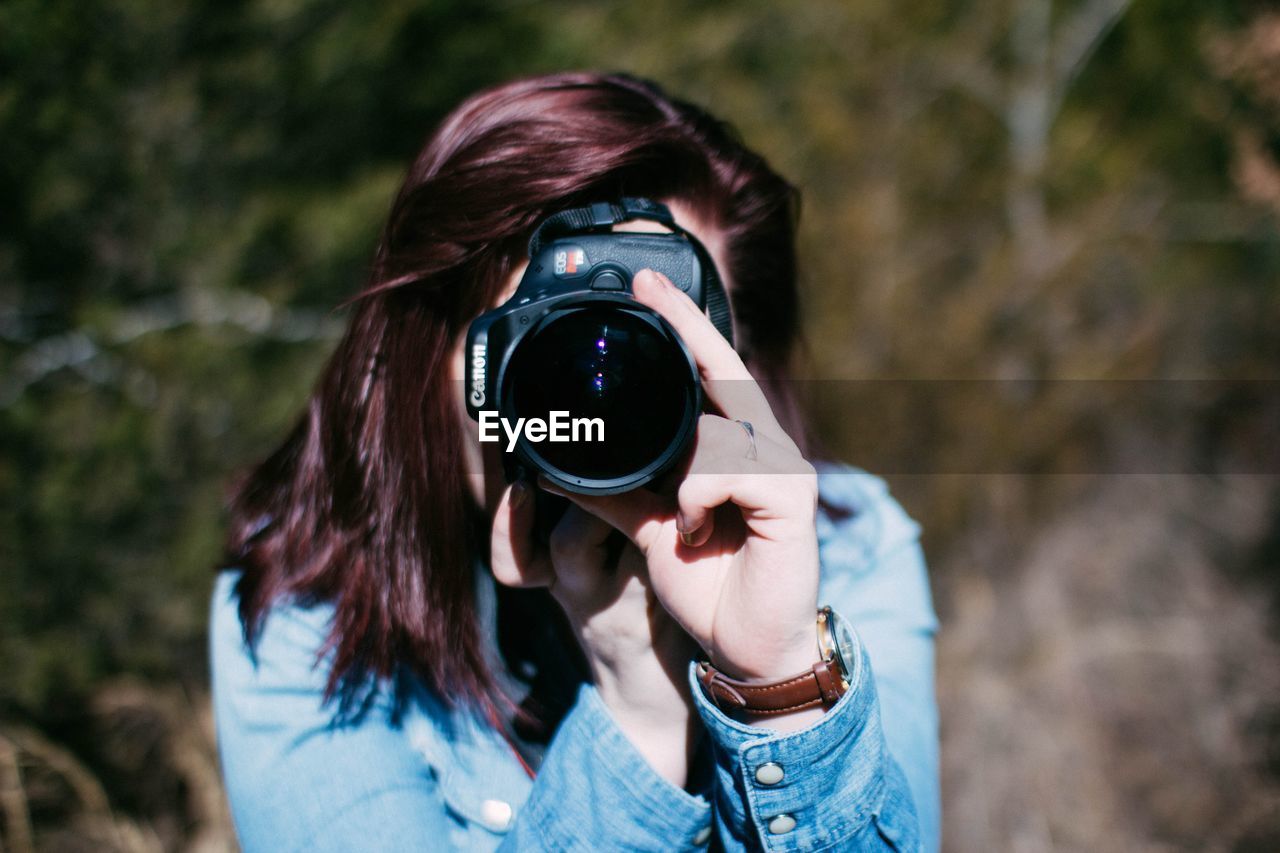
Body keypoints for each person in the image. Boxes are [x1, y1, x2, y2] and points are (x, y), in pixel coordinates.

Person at [209, 71, 939, 852]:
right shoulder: (307, 607)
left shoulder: (847, 547)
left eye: (659, 354)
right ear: (430, 355)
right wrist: (637, 711)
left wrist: (781, 684)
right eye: (551, 347)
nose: (601, 403)